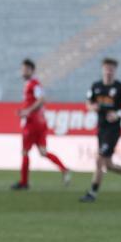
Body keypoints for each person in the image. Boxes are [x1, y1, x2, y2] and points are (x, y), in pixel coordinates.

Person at [11, 59, 71, 190]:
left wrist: (27, 111)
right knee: (43, 152)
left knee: (25, 152)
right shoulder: (30, 84)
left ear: (32, 70)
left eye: (26, 69)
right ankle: (64, 169)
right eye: (22, 69)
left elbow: (42, 99)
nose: (23, 71)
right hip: (40, 122)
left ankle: (24, 182)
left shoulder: (34, 84)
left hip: (33, 122)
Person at [81, 58, 121, 202]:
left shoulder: (120, 88)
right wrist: (92, 107)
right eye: (106, 68)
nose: (108, 71)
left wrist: (117, 114)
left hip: (113, 130)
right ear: (102, 69)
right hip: (101, 128)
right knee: (108, 165)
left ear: (115, 70)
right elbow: (88, 102)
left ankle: (92, 193)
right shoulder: (96, 86)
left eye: (111, 69)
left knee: (99, 160)